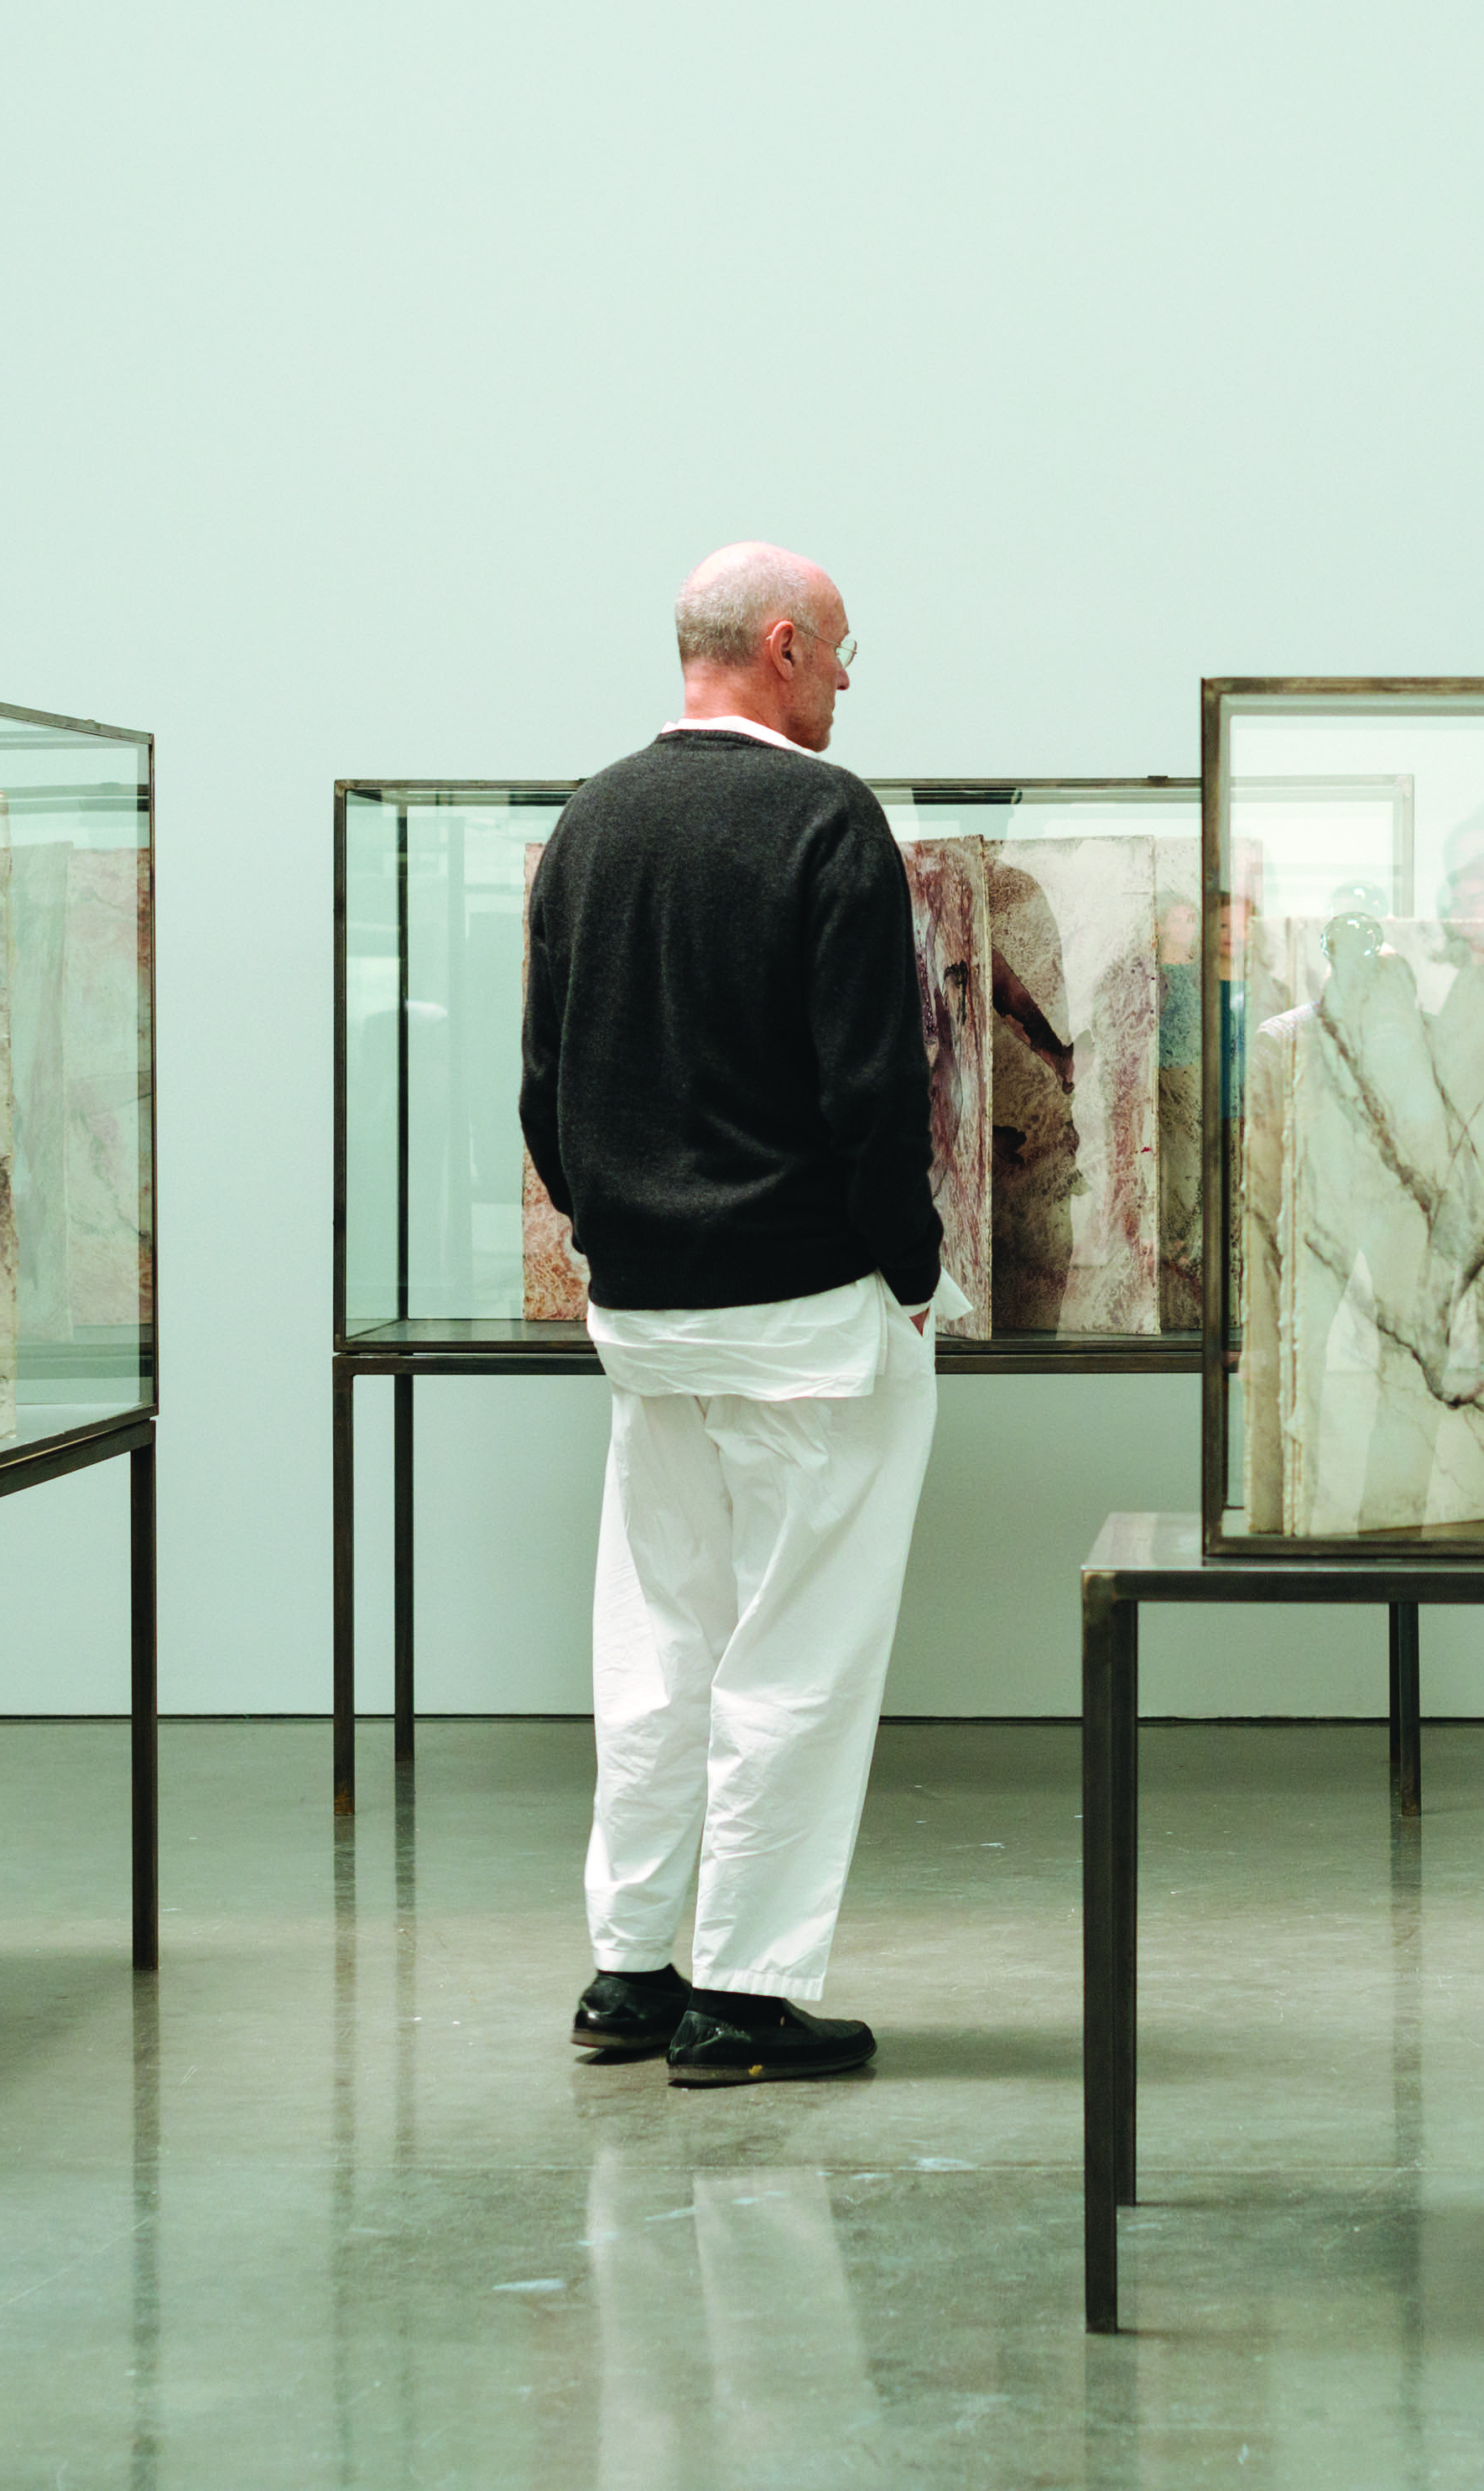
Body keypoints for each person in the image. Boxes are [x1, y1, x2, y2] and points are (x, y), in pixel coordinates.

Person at [518, 541, 952, 2086]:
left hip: (647, 1321)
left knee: (653, 1644)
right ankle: (745, 1998)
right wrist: (913, 1274)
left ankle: (628, 1974)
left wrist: (614, 1237)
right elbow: (872, 1095)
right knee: (798, 1652)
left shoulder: (589, 819)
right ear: (780, 645)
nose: (844, 678)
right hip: (807, 1323)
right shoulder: (822, 820)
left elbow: (545, 1091)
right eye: (839, 651)